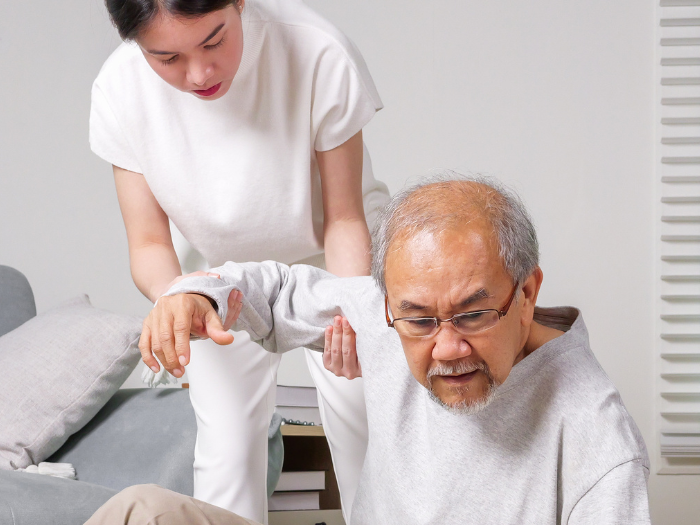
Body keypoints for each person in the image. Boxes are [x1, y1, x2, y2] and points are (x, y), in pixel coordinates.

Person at [90, 174, 651, 524]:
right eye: (419, 320)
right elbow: (279, 288)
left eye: (474, 315)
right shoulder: (395, 311)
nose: (447, 347)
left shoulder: (596, 434)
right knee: (139, 513)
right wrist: (194, 294)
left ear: (527, 292)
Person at [90, 0, 389, 521]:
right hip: (212, 277)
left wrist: (355, 309)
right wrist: (179, 303)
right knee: (225, 458)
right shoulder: (117, 91)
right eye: (168, 58)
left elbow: (344, 219)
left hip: (336, 263)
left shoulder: (316, 50)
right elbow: (149, 245)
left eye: (214, 41)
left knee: (368, 432)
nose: (199, 74)